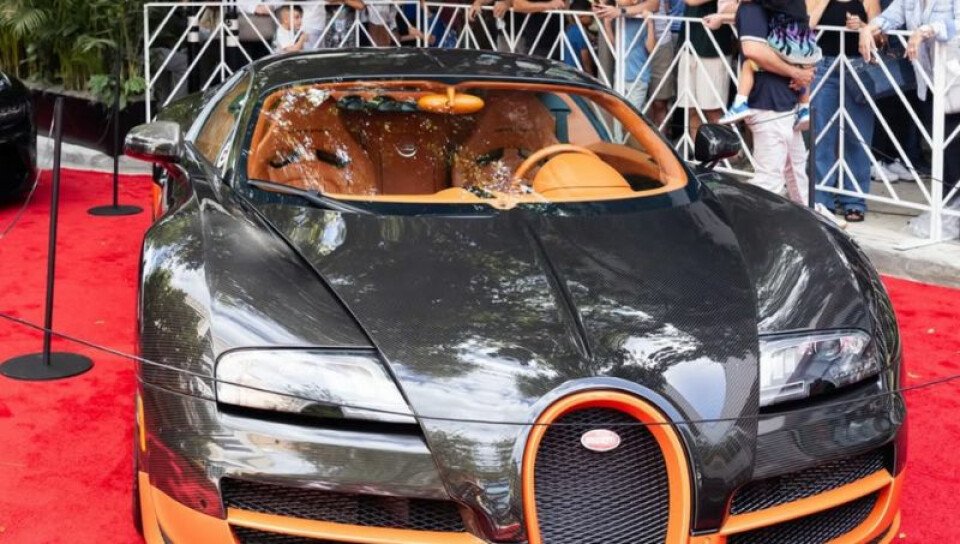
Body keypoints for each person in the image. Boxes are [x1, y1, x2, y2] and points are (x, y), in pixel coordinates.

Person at [859, 0, 960, 205]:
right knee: (944, 150)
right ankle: (948, 209)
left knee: (954, 146)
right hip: (930, 80)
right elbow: (890, 17)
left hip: (954, 77)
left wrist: (927, 30)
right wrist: (868, 28)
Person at [736, 0, 817, 204]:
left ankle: (810, 214)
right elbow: (753, 50)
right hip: (767, 103)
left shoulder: (783, 8)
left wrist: (804, 68)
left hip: (787, 102)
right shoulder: (751, 7)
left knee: (796, 171)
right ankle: (749, 220)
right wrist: (796, 71)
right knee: (769, 181)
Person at [808, 0, 880, 222]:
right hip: (823, 66)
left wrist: (863, 27)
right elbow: (806, 25)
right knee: (822, 135)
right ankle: (821, 199)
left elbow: (881, 36)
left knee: (858, 135)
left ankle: (854, 200)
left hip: (858, 67)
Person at [719, 0, 822, 129]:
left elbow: (753, 50)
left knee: (749, 64)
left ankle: (740, 102)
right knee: (804, 68)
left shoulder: (761, 6)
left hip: (786, 41)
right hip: (805, 42)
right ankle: (804, 107)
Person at [679, 0, 737, 140]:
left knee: (713, 110)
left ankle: (726, 151)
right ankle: (698, 150)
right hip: (688, 43)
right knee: (691, 108)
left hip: (714, 49)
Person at [594, 0, 659, 111]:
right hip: (620, 76)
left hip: (638, 78)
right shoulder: (620, 19)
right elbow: (615, 46)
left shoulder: (642, 17)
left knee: (632, 115)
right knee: (619, 115)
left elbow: (651, 49)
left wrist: (650, 24)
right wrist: (607, 24)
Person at [563, 0, 601, 73]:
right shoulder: (579, 32)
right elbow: (585, 59)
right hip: (577, 73)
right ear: (581, 16)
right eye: (590, 14)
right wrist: (590, 74)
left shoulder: (572, 28)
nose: (593, 17)